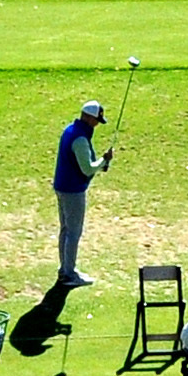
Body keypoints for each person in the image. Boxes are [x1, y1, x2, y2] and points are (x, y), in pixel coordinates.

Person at [51, 101, 113, 287]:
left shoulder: (70, 130)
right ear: (87, 117)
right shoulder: (80, 138)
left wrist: (100, 164)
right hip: (73, 191)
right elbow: (87, 168)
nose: (96, 124)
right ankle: (69, 273)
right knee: (73, 232)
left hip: (62, 186)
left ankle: (65, 270)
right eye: (96, 120)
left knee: (66, 230)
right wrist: (104, 160)